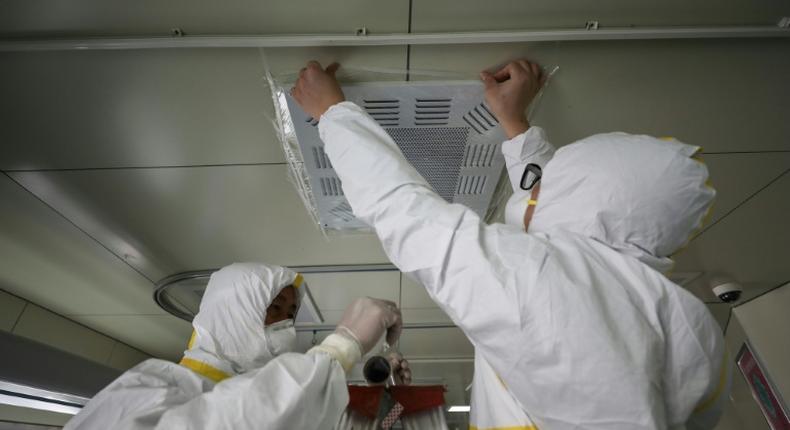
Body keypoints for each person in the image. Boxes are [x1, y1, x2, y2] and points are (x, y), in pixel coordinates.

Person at [292, 60, 729, 430]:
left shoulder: (548, 294)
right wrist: (515, 124)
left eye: (551, 188)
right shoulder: (676, 319)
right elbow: (555, 219)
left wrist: (333, 114)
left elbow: (410, 218)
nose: (536, 192)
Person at [65, 262, 408, 429]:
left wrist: (384, 392)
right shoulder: (146, 386)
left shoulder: (257, 389)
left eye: (291, 314)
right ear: (232, 312)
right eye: (275, 308)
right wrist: (340, 350)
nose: (286, 325)